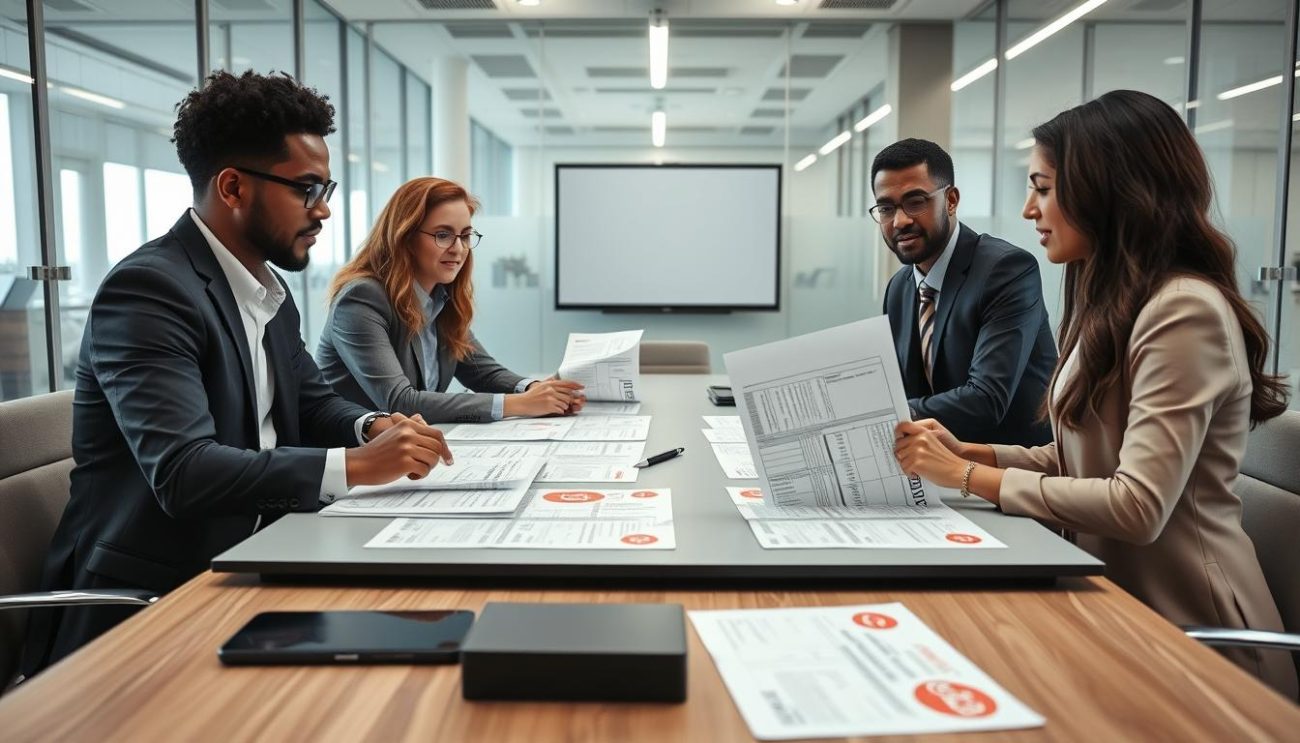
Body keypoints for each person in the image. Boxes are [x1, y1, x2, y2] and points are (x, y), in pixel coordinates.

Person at [22, 71, 452, 676]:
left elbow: (311, 402)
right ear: (232, 188)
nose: (324, 208)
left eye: (324, 187)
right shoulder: (149, 292)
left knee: (427, 635)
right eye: (307, 189)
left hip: (259, 557)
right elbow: (183, 473)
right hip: (158, 601)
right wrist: (354, 467)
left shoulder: (266, 288)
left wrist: (370, 427)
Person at [893, 90, 1297, 697]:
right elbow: (1085, 457)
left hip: (1194, 642)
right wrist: (973, 453)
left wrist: (969, 479)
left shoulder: (1184, 310)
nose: (1029, 209)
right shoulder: (1112, 305)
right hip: (1112, 605)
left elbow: (1136, 504)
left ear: (1110, 190)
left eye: (1044, 187)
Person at [316, 177, 584, 423]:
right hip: (355, 456)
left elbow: (481, 371)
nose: (458, 249)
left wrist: (535, 390)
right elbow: (400, 402)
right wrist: (519, 404)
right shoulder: (362, 299)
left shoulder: (439, 297)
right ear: (405, 236)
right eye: (443, 235)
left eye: (465, 236)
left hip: (410, 449)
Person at [874, 138, 1056, 446]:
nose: (900, 221)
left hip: (1013, 475)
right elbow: (901, 389)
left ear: (951, 200)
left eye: (916, 202)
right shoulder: (899, 289)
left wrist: (886, 415)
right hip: (939, 471)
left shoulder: (1006, 270)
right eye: (886, 208)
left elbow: (986, 399)